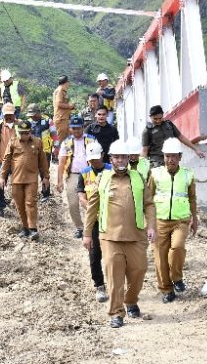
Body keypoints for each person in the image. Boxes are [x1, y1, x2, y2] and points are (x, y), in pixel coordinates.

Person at [83, 139, 155, 328]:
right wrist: (87, 233)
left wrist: (151, 226)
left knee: (139, 270)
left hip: (136, 235)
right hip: (110, 237)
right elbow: (92, 207)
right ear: (111, 159)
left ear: (128, 158)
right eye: (117, 157)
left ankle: (130, 301)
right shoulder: (103, 179)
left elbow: (149, 204)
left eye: (123, 156)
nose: (120, 160)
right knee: (114, 276)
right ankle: (116, 312)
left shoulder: (138, 178)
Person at [148, 138, 199, 303]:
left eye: (174, 156)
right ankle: (167, 290)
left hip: (181, 221)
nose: (170, 159)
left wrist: (195, 218)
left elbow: (192, 198)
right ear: (163, 156)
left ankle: (176, 277)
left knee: (177, 247)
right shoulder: (155, 174)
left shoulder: (188, 175)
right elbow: (148, 199)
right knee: (160, 257)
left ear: (180, 157)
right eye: (167, 156)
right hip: (160, 221)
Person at [0, 121, 50, 240]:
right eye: (21, 133)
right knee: (19, 204)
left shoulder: (37, 142)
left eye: (26, 133)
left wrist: (46, 177)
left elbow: (43, 161)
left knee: (30, 203)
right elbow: (6, 160)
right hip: (16, 179)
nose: (24, 135)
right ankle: (25, 228)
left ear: (30, 132)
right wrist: (2, 176)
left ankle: (33, 229)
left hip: (31, 179)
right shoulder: (13, 142)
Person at [77, 142, 112, 303]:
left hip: (112, 219)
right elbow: (81, 197)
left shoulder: (112, 170)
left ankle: (116, 283)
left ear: (103, 155)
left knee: (114, 254)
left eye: (96, 159)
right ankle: (99, 285)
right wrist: (94, 210)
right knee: (94, 253)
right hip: (94, 220)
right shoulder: (84, 174)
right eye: (91, 159)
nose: (93, 162)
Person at [56, 116, 96, 238]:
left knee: (91, 202)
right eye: (74, 128)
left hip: (89, 174)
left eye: (78, 128)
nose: (76, 130)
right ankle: (79, 228)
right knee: (73, 203)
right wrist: (59, 181)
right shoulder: (66, 142)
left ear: (83, 128)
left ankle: (93, 226)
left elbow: (97, 157)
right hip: (73, 175)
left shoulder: (91, 140)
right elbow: (62, 162)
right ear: (70, 129)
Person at [26, 103, 54, 198]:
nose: (32, 117)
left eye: (34, 114)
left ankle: (46, 195)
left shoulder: (48, 121)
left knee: (44, 173)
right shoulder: (28, 122)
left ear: (38, 112)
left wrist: (56, 148)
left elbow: (54, 134)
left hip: (45, 152)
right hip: (31, 152)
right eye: (31, 115)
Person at [52, 75, 75, 156]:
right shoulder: (60, 90)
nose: (69, 84)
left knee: (67, 140)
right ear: (66, 82)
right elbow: (58, 104)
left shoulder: (63, 91)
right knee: (60, 140)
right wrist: (70, 106)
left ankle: (66, 157)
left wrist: (70, 107)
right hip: (61, 119)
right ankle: (56, 157)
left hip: (64, 119)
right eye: (68, 82)